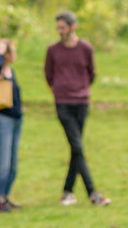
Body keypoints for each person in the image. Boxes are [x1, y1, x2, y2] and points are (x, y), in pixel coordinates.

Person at [45, 11, 110, 207]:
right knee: (77, 146)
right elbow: (49, 75)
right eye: (58, 28)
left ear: (73, 27)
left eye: (63, 27)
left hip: (82, 102)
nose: (60, 31)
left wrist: (81, 89)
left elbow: (92, 73)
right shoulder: (52, 50)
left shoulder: (86, 48)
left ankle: (67, 192)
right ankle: (93, 194)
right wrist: (60, 90)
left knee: (76, 148)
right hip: (63, 103)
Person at [0, 38, 23, 212]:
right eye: (4, 52)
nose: (8, 55)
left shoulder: (10, 71)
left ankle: (5, 196)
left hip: (16, 120)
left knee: (12, 164)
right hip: (2, 120)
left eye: (8, 51)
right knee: (2, 162)